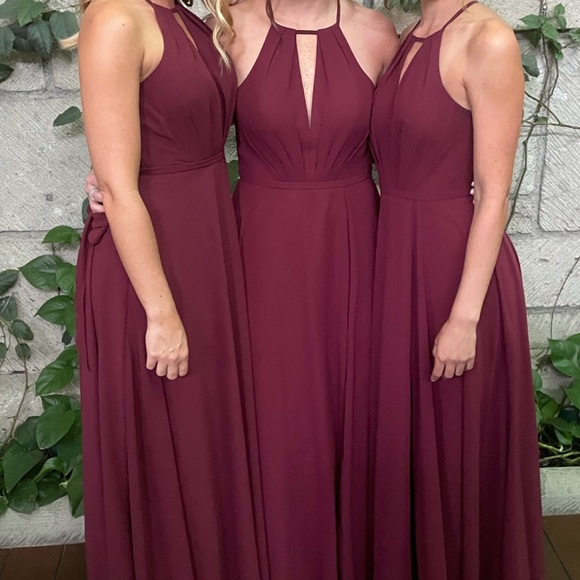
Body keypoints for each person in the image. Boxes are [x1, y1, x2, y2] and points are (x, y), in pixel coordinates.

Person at [75, 0, 266, 576]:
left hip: (205, 248)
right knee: (162, 440)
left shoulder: (187, 14)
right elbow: (119, 187)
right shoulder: (116, 18)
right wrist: (161, 315)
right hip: (151, 268)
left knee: (203, 435)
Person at [370, 1, 544, 578]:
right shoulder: (409, 35)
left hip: (453, 273)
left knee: (452, 446)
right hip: (396, 262)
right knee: (408, 450)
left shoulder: (488, 40)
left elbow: (494, 194)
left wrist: (465, 318)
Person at [228, 0, 396, 577]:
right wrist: (113, 172)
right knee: (273, 404)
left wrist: (462, 179)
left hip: (355, 241)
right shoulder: (229, 26)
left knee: (357, 394)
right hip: (260, 245)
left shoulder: (378, 32)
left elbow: (412, 130)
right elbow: (182, 122)